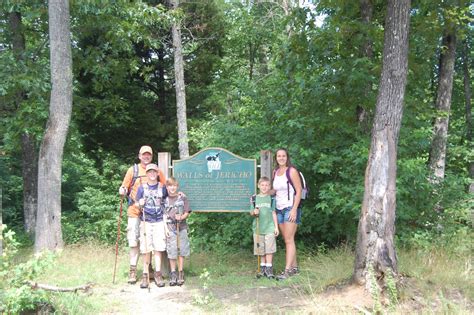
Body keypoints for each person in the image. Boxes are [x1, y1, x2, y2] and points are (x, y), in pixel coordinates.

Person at [118, 146, 166, 284]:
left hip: (152, 214)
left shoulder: (156, 171)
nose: (146, 157)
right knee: (134, 242)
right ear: (139, 156)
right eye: (144, 155)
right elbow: (125, 187)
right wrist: (122, 190)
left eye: (148, 155)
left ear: (151, 156)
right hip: (135, 211)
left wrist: (177, 194)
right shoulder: (133, 170)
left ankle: (149, 270)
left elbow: (165, 187)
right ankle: (132, 271)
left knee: (150, 242)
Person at [136, 163, 168, 288]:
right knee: (146, 249)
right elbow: (136, 203)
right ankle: (145, 275)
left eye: (154, 172)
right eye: (150, 172)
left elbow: (168, 201)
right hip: (146, 220)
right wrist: (140, 203)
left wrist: (180, 195)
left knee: (158, 248)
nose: (152, 174)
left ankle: (158, 274)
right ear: (147, 174)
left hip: (159, 220)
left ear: (157, 173)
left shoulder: (162, 187)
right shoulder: (141, 188)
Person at [272, 148, 302, 280]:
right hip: (278, 209)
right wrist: (263, 193)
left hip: (290, 208)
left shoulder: (292, 171)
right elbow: (275, 190)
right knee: (287, 240)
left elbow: (299, 190)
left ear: (287, 157)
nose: (281, 158)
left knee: (289, 240)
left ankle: (287, 271)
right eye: (279, 156)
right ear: (276, 158)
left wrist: (294, 209)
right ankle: (294, 268)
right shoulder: (275, 172)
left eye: (283, 156)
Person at [164, 177, 192, 286]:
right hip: (170, 228)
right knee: (172, 251)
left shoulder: (182, 198)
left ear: (177, 186)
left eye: (174, 185)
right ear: (167, 187)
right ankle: (173, 273)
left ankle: (180, 271)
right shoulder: (165, 199)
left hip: (182, 227)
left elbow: (187, 212)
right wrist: (165, 228)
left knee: (181, 250)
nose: (172, 188)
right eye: (170, 185)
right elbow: (164, 215)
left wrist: (181, 217)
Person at [250, 177, 279, 279]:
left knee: (269, 250)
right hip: (258, 228)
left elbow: (274, 213)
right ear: (258, 186)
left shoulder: (271, 198)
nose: (264, 187)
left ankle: (269, 269)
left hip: (269, 228)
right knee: (260, 250)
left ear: (269, 186)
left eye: (267, 185)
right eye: (262, 185)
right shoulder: (254, 198)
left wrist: (276, 227)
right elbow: (251, 212)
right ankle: (262, 269)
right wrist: (254, 212)